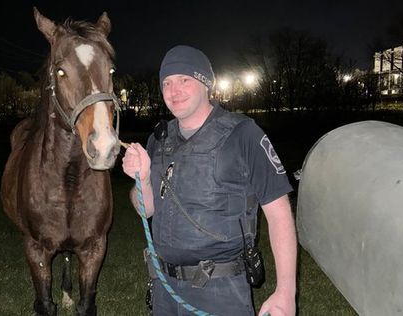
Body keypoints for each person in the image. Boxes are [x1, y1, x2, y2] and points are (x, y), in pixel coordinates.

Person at [122, 45, 297, 316]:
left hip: (220, 291)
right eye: (167, 82)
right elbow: (148, 209)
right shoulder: (159, 139)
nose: (174, 91)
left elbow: (279, 214)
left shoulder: (243, 135)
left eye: (184, 80)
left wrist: (286, 291)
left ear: (206, 84)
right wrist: (142, 180)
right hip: (165, 289)